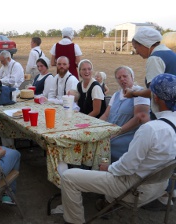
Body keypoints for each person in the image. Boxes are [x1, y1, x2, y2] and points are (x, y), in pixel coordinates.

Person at [60, 73, 176, 224]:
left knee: (69, 177)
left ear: (155, 98)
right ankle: (106, 201)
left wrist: (108, 168)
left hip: (135, 188)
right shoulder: (168, 124)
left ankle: (73, 221)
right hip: (161, 185)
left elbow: (126, 168)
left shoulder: (151, 129)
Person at [99, 66, 150, 162]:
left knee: (105, 144)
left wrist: (116, 132)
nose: (122, 79)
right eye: (119, 78)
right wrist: (95, 126)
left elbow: (138, 119)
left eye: (125, 76)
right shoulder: (116, 95)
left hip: (128, 135)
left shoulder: (139, 93)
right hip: (112, 132)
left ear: (132, 76)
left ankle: (109, 169)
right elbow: (106, 115)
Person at [124, 27, 176, 118]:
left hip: (164, 114)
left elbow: (155, 92)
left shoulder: (154, 59)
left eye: (136, 47)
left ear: (144, 44)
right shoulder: (170, 54)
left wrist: (133, 93)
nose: (137, 52)